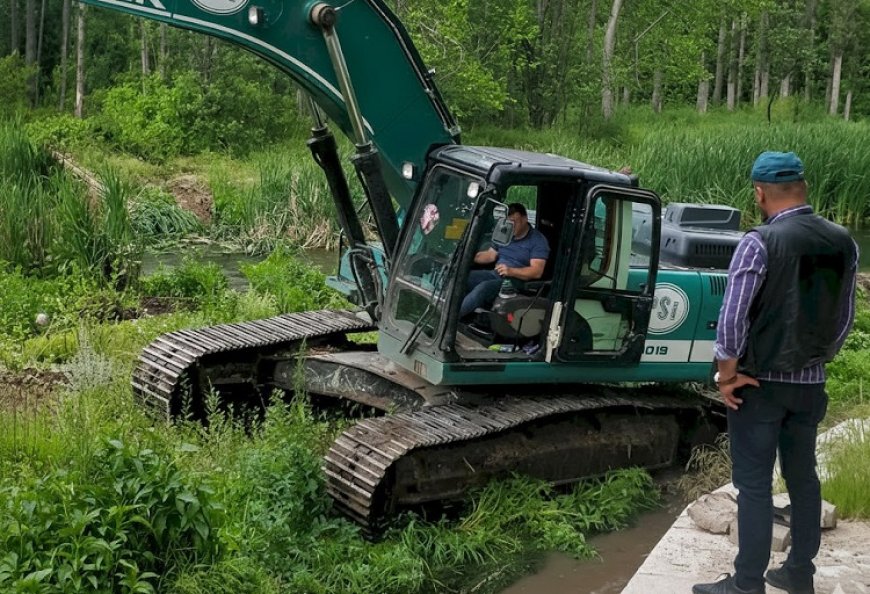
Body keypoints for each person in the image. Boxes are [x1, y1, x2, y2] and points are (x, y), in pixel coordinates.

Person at [693, 152, 858, 594]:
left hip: (759, 385)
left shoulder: (760, 241)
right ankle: (799, 574)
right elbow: (844, 319)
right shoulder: (844, 241)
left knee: (753, 486)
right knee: (804, 479)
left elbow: (732, 320)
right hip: (811, 385)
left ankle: (747, 584)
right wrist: (817, 360)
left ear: (760, 192)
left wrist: (726, 375)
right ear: (803, 188)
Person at [459, 203, 550, 319]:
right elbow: (490, 255)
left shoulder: (538, 241)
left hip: (516, 282)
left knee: (484, 288)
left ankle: (450, 319)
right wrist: (468, 256)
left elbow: (536, 271)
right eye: (509, 222)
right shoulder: (505, 233)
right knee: (461, 278)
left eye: (514, 222)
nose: (511, 225)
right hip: (495, 274)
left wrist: (511, 271)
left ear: (525, 219)